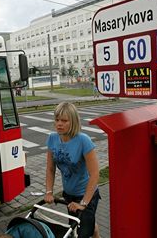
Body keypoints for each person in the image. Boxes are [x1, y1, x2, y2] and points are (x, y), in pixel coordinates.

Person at [44, 102, 101, 238]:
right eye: (57, 120)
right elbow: (50, 168)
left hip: (86, 195)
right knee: (77, 226)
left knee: (82, 233)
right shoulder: (52, 138)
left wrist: (83, 203)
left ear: (73, 121)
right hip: (69, 195)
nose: (59, 124)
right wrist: (49, 191)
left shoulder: (83, 141)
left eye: (64, 121)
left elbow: (94, 174)